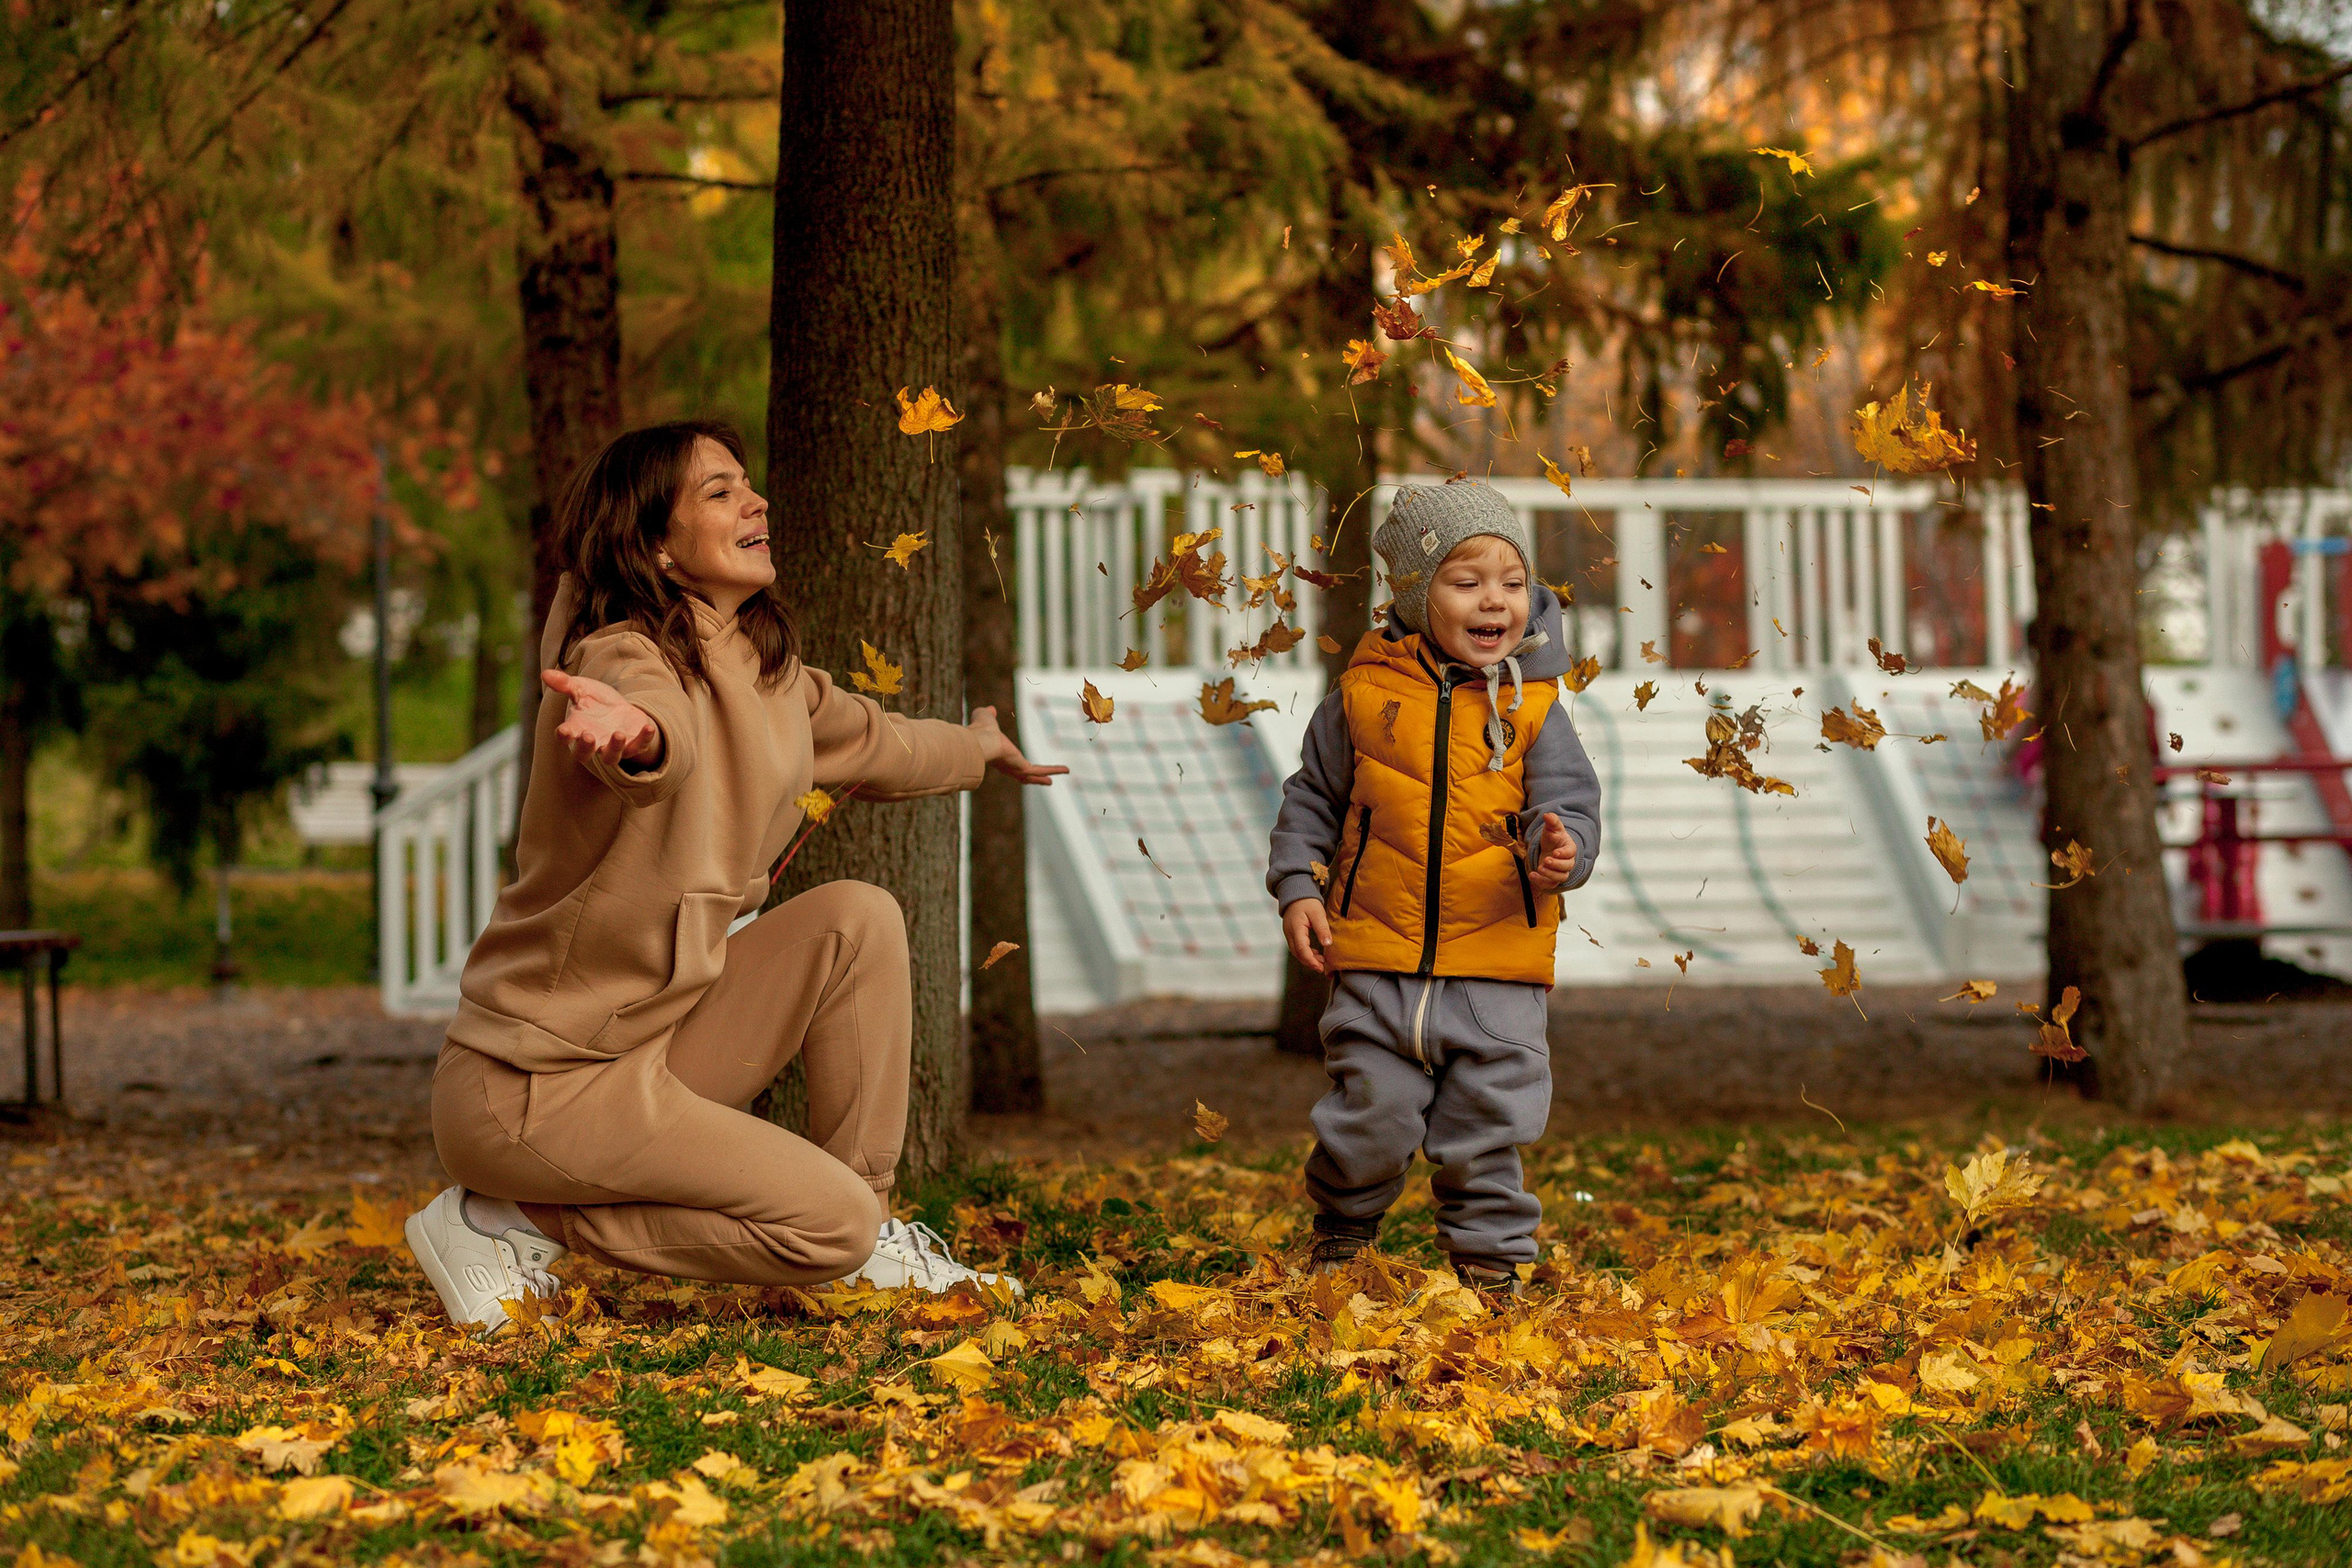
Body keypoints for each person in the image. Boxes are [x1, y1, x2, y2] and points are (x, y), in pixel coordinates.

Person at [404, 419, 1066, 1334]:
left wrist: (978, 748)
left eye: (747, 484)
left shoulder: (769, 678)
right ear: (656, 548)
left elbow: (881, 741)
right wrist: (632, 737)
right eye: (718, 492)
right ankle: (501, 1218)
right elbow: (651, 724)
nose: (755, 502)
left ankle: (867, 1237)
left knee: (857, 917)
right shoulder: (620, 652)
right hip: (534, 1086)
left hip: (653, 1049)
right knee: (822, 1225)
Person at [1265, 481, 1601, 1297]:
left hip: (1497, 971)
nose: (1497, 600)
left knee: (1488, 1129)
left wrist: (1561, 851)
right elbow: (1312, 799)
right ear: (1415, 596)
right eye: (1467, 580)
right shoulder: (1361, 695)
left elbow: (1568, 807)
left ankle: (1492, 1270)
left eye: (1513, 582)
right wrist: (1297, 889)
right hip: (1375, 958)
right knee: (1366, 1119)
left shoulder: (1537, 709)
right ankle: (1343, 1238)